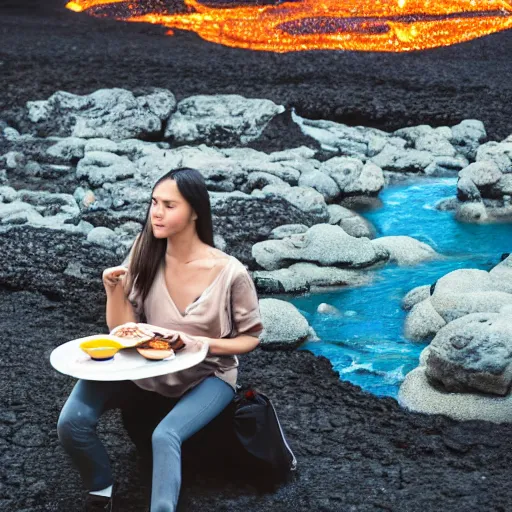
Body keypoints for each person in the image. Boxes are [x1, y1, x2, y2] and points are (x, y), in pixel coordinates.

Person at [57, 168, 264, 512]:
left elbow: (250, 339)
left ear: (195, 211)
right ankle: (102, 491)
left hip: (207, 375)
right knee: (72, 421)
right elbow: (122, 330)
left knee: (164, 437)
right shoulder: (144, 250)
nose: (156, 212)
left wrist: (197, 343)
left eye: (169, 205)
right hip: (145, 364)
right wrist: (113, 292)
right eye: (154, 202)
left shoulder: (230, 273)